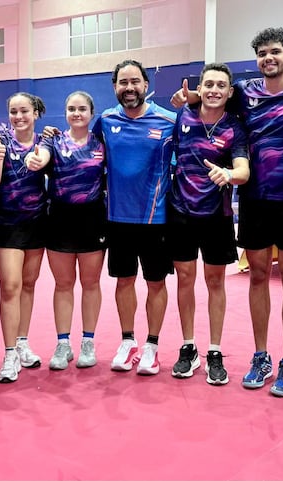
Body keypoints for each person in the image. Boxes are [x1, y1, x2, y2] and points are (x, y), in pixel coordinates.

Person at [175, 27, 283, 397]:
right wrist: (192, 96)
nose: (268, 58)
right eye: (262, 53)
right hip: (254, 199)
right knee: (258, 276)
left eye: (275, 51)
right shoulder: (244, 92)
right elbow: (209, 99)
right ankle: (261, 357)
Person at [167, 63, 250, 385]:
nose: (214, 90)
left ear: (230, 92)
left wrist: (228, 174)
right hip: (181, 212)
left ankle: (214, 350)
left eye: (221, 85)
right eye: (209, 84)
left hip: (217, 216)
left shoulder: (234, 127)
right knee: (185, 279)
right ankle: (188, 346)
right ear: (199, 89)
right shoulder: (184, 117)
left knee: (215, 282)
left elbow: (243, 170)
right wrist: (184, 99)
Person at [93, 59, 176, 375]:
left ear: (146, 85)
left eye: (134, 81)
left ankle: (152, 346)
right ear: (115, 87)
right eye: (123, 82)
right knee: (124, 280)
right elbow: (84, 148)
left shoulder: (168, 120)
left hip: (156, 218)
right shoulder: (105, 120)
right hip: (117, 218)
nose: (129, 88)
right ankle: (127, 341)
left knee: (156, 282)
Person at [27, 91, 106, 370]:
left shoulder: (102, 143)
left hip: (92, 220)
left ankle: (88, 342)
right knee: (63, 284)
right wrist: (37, 160)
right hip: (59, 219)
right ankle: (63, 344)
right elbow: (42, 155)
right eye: (71, 109)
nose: (77, 113)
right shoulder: (53, 140)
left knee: (91, 283)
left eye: (82, 109)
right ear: (65, 113)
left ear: (92, 113)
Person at [0, 92, 48, 383]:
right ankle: (9, 353)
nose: (18, 116)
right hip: (6, 224)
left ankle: (22, 342)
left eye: (24, 111)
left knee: (29, 285)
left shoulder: (46, 142)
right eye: (13, 111)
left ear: (35, 113)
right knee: (10, 286)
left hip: (37, 222)